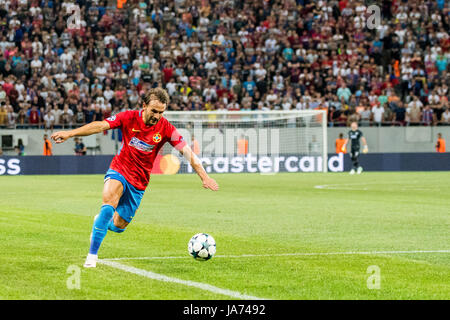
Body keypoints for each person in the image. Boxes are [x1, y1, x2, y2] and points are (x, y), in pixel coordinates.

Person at [51, 88, 219, 268]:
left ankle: (100, 222)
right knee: (108, 204)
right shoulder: (128, 117)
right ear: (144, 106)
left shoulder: (167, 128)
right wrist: (70, 134)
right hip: (120, 169)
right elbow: (100, 125)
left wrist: (204, 177)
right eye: (154, 111)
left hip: (139, 182)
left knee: (118, 226)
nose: (157, 116)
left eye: (161, 112)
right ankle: (92, 256)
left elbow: (187, 152)